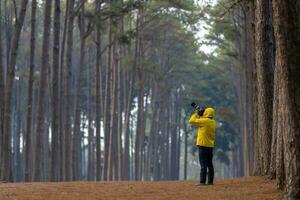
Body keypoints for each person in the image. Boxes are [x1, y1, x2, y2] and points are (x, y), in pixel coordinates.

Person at [189, 107, 216, 186]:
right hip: (210, 146)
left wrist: (196, 113)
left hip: (203, 145)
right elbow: (204, 121)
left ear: (206, 113)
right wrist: (202, 116)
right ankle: (210, 181)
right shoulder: (213, 122)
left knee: (203, 164)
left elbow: (191, 121)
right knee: (210, 164)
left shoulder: (204, 121)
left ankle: (202, 181)